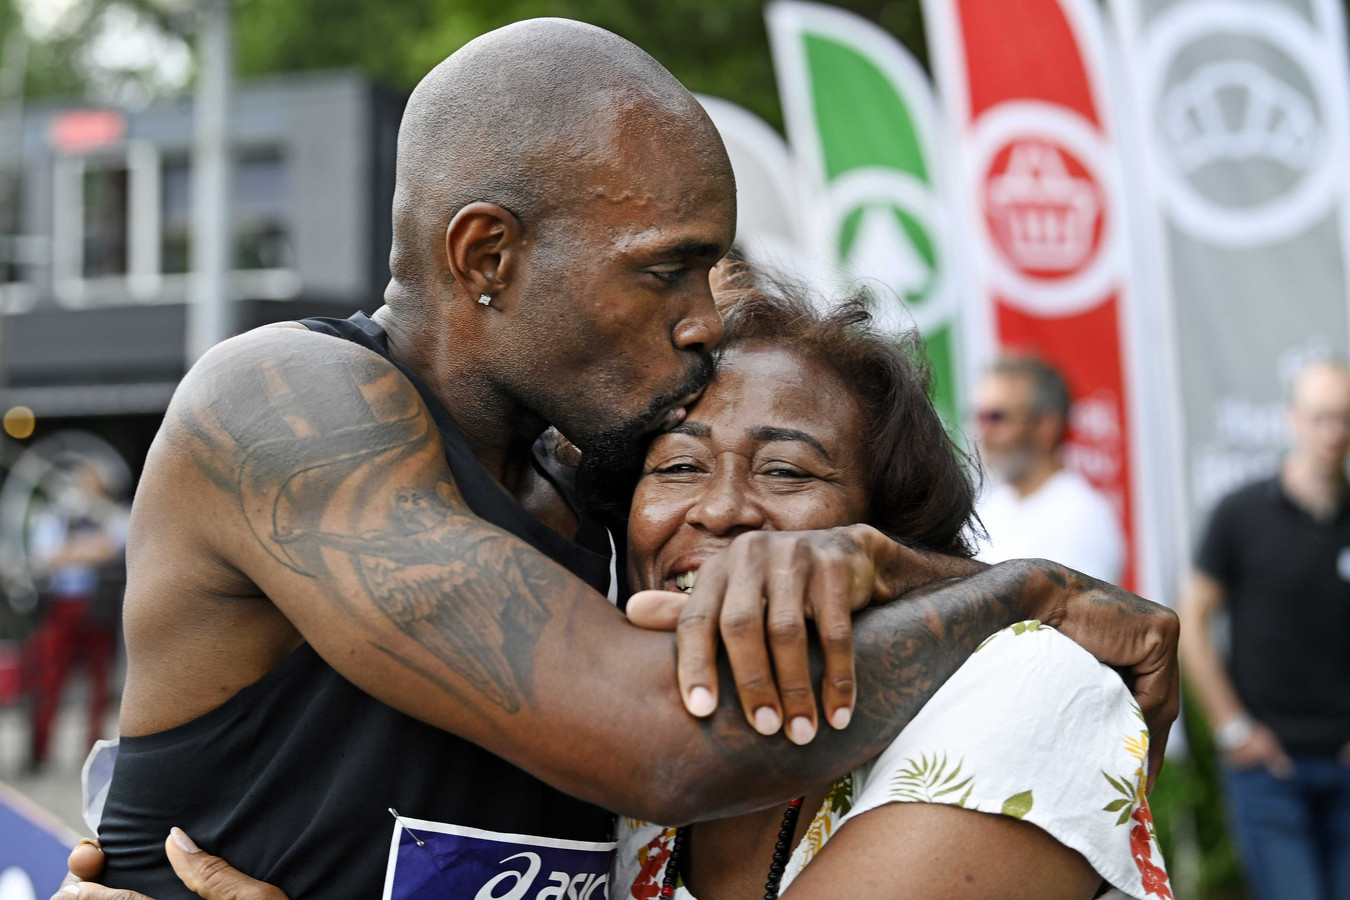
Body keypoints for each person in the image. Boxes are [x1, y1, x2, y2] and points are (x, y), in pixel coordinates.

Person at [70, 20, 1178, 899]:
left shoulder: (599, 496)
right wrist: (1027, 595)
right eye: (668, 270)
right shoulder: (283, 410)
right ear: (487, 254)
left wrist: (942, 581)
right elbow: (658, 739)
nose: (705, 320)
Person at [1179, 359, 1350, 900]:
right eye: (1321, 417)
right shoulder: (1241, 514)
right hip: (1269, 770)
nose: (1333, 433)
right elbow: (1192, 622)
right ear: (1292, 419)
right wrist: (1232, 729)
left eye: (1344, 418)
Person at [974, 355, 1125, 583]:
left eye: (997, 417)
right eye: (981, 417)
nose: (983, 432)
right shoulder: (986, 506)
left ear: (1046, 426)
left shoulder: (1081, 516)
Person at [25, 458, 127, 770]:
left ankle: (92, 755)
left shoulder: (113, 514)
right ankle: (39, 754)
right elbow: (45, 556)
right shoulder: (55, 516)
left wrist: (73, 551)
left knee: (99, 685)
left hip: (99, 608)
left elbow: (116, 545)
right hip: (63, 607)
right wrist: (87, 550)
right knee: (49, 680)